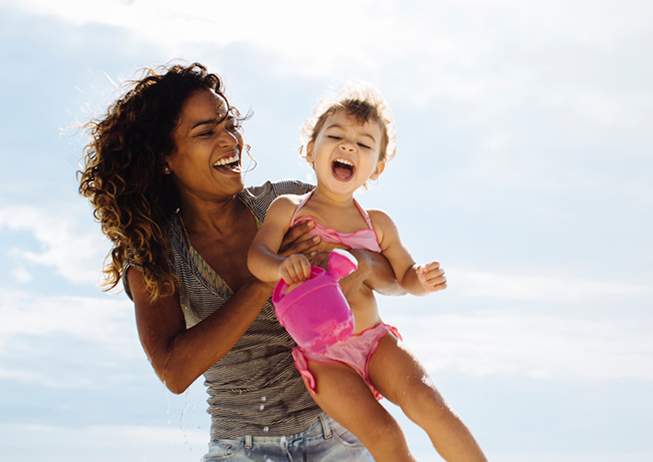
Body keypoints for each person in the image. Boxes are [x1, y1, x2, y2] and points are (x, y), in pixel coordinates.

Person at [78, 63, 401, 461]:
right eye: (207, 132)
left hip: (338, 432)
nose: (230, 140)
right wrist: (268, 276)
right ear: (166, 159)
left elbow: (382, 271)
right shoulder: (155, 254)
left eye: (229, 125)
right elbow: (175, 370)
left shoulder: (290, 207)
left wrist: (360, 264)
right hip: (242, 448)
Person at [247, 87, 487, 462]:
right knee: (384, 433)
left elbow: (402, 276)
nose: (348, 147)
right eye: (336, 136)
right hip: (324, 358)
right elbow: (256, 257)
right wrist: (280, 265)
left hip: (375, 342)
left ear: (377, 167)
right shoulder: (288, 210)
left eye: (363, 143)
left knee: (429, 403)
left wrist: (420, 280)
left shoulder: (377, 225)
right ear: (310, 149)